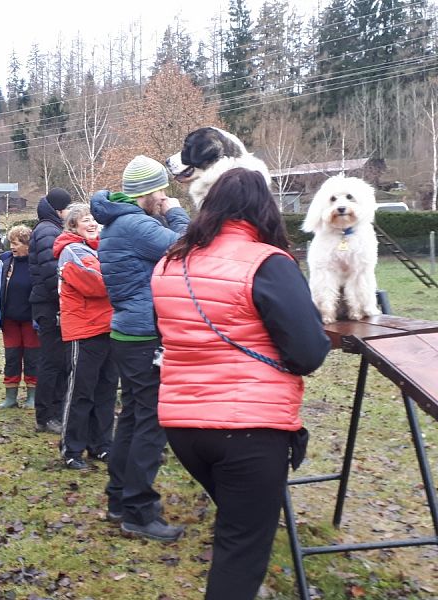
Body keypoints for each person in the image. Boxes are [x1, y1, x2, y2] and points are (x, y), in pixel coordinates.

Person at [151, 168, 331, 599]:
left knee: (236, 526)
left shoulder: (170, 262)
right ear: (264, 209)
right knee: (241, 548)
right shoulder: (267, 263)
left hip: (183, 426)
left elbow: (171, 336)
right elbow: (308, 354)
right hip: (250, 430)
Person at [90, 154, 190, 542]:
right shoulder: (135, 224)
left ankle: (119, 499)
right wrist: (178, 213)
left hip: (128, 335)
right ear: (148, 192)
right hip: (143, 336)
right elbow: (185, 247)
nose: (164, 197)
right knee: (151, 423)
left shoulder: (121, 221)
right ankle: (139, 511)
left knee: (132, 418)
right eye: (161, 191)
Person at [53, 203, 117, 470]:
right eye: (86, 220)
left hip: (108, 328)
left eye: (94, 220)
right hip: (84, 331)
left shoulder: (98, 249)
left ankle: (101, 445)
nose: (92, 224)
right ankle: (72, 448)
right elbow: (97, 282)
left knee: (106, 391)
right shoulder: (72, 251)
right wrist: (123, 277)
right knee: (81, 393)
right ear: (74, 226)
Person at [28, 187, 72, 433]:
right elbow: (51, 272)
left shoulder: (50, 229)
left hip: (50, 304)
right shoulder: (48, 231)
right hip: (50, 305)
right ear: (59, 210)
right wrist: (63, 299)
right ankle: (46, 416)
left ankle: (54, 411)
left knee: (56, 360)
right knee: (52, 361)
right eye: (67, 209)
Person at [0, 225, 39, 409]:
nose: (12, 247)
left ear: (27, 244)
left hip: (31, 320)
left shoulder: (37, 263)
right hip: (9, 320)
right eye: (11, 243)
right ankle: (10, 397)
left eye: (16, 244)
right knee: (12, 358)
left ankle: (32, 397)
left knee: (32, 358)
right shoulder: (5, 262)